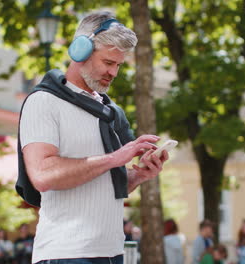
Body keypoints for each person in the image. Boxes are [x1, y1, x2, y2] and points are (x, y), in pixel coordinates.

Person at [17, 11, 169, 264]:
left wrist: (140, 174)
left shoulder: (112, 114)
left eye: (118, 65)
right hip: (66, 253)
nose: (114, 73)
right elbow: (42, 175)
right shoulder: (44, 102)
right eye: (108, 62)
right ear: (80, 50)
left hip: (112, 252)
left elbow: (110, 185)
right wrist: (114, 158)